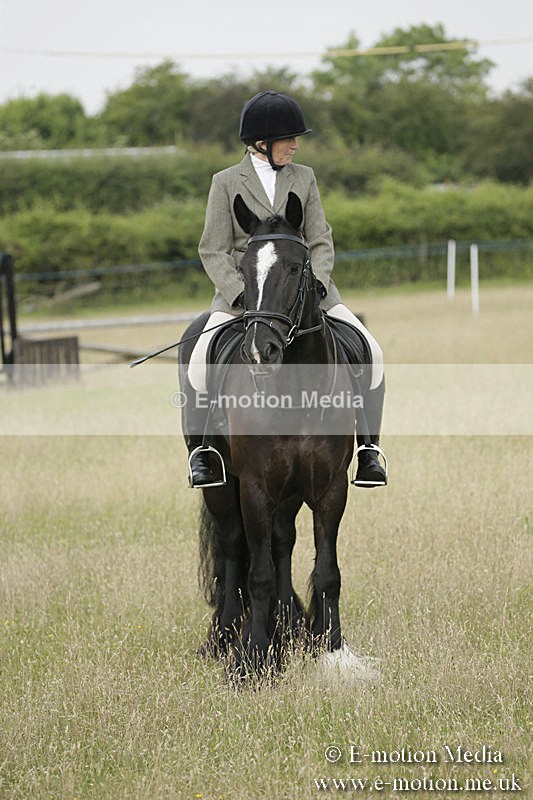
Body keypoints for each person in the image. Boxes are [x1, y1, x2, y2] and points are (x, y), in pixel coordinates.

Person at [185, 90, 387, 488]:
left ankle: (367, 449)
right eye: (288, 139)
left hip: (306, 293)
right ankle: (204, 451)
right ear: (261, 143)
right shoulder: (225, 182)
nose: (295, 145)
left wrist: (316, 285)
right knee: (198, 364)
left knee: (373, 352)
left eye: (295, 139)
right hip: (248, 297)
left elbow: (321, 241)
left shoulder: (305, 177)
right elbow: (212, 248)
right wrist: (242, 295)